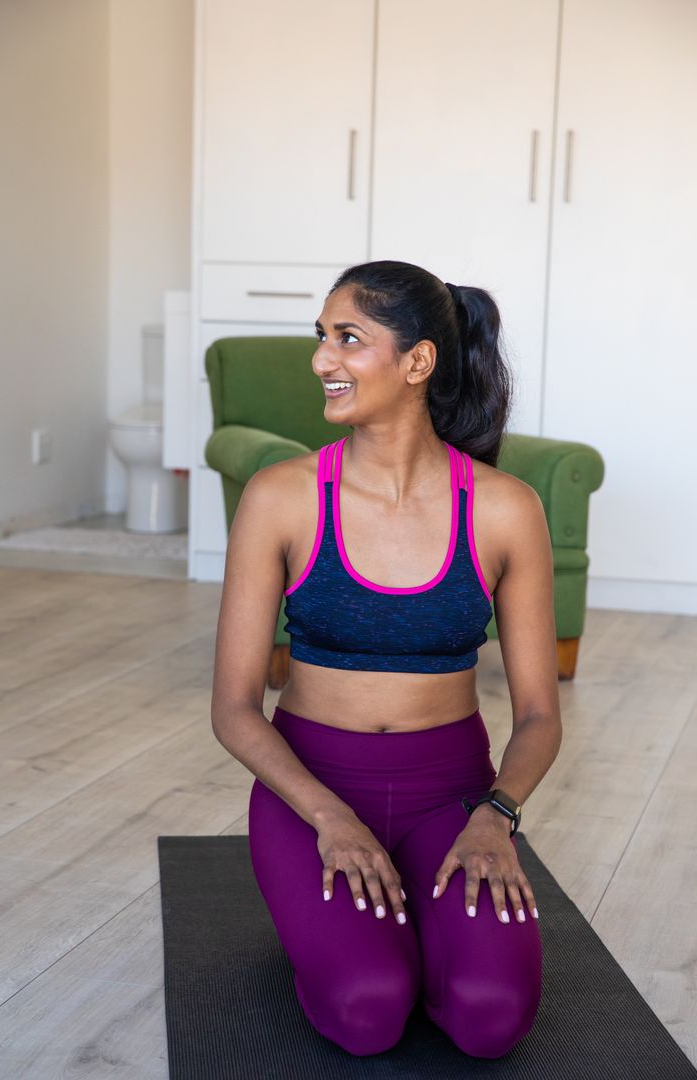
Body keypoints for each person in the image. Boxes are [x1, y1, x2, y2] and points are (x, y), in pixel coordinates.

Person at [210, 260, 562, 1059]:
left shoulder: (506, 510)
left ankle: (406, 929)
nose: (321, 360)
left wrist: (496, 816)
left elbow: (540, 714)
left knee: (491, 1018)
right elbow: (233, 708)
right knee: (369, 1011)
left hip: (454, 801)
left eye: (348, 339)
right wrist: (330, 817)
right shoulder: (283, 497)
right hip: (311, 795)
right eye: (321, 338)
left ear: (417, 362)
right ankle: (342, 941)